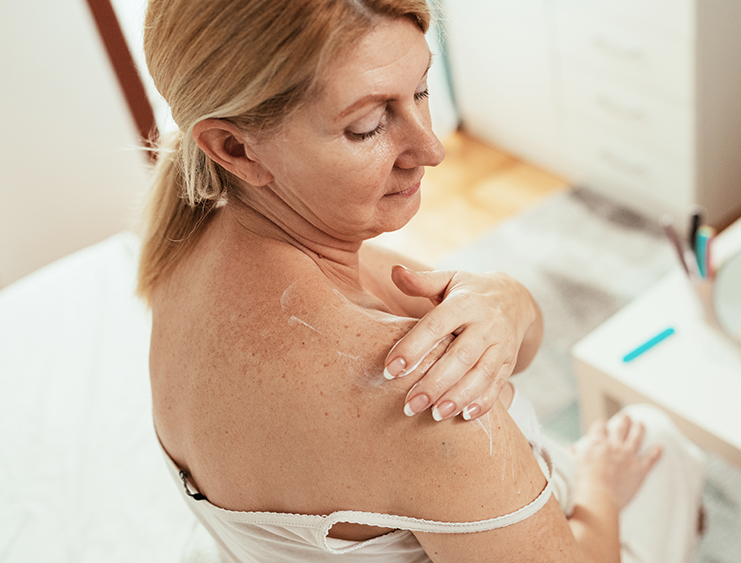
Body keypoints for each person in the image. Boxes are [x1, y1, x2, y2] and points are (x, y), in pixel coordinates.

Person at [138, 1, 706, 561]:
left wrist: (508, 301)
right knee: (658, 440)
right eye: (367, 125)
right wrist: (601, 488)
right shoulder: (421, 392)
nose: (431, 149)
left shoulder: (181, 251)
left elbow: (514, 347)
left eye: (422, 90)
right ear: (235, 147)